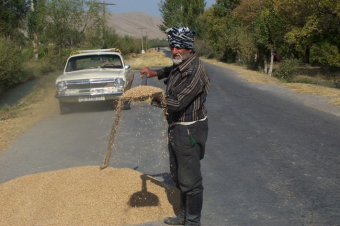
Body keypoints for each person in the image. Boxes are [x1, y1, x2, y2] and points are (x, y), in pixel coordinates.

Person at [140, 27, 210, 226]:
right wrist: (154, 73)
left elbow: (177, 103)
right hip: (176, 126)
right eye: (172, 46)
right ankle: (183, 215)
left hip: (189, 128)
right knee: (177, 174)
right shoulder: (182, 64)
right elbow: (172, 70)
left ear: (189, 48)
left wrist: (151, 94)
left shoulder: (196, 70)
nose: (174, 51)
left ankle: (192, 222)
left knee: (191, 180)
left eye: (179, 46)